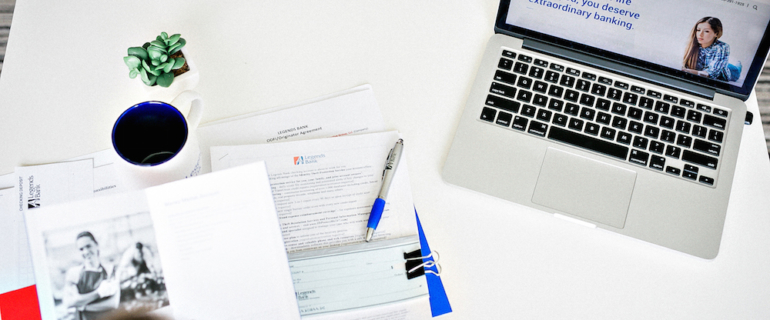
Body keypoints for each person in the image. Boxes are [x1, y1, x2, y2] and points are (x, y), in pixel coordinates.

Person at [62, 231, 120, 320]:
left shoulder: (110, 270)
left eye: (88, 246)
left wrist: (83, 306)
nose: (86, 251)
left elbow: (113, 303)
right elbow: (69, 302)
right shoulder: (74, 273)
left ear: (97, 245)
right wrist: (99, 293)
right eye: (81, 249)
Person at [682, 17, 741, 82]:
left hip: (726, 71)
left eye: (706, 31)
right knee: (722, 63)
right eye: (698, 30)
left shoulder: (722, 47)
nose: (700, 34)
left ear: (716, 33)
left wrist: (692, 72)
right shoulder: (691, 45)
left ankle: (738, 64)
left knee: (736, 69)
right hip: (717, 63)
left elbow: (712, 73)